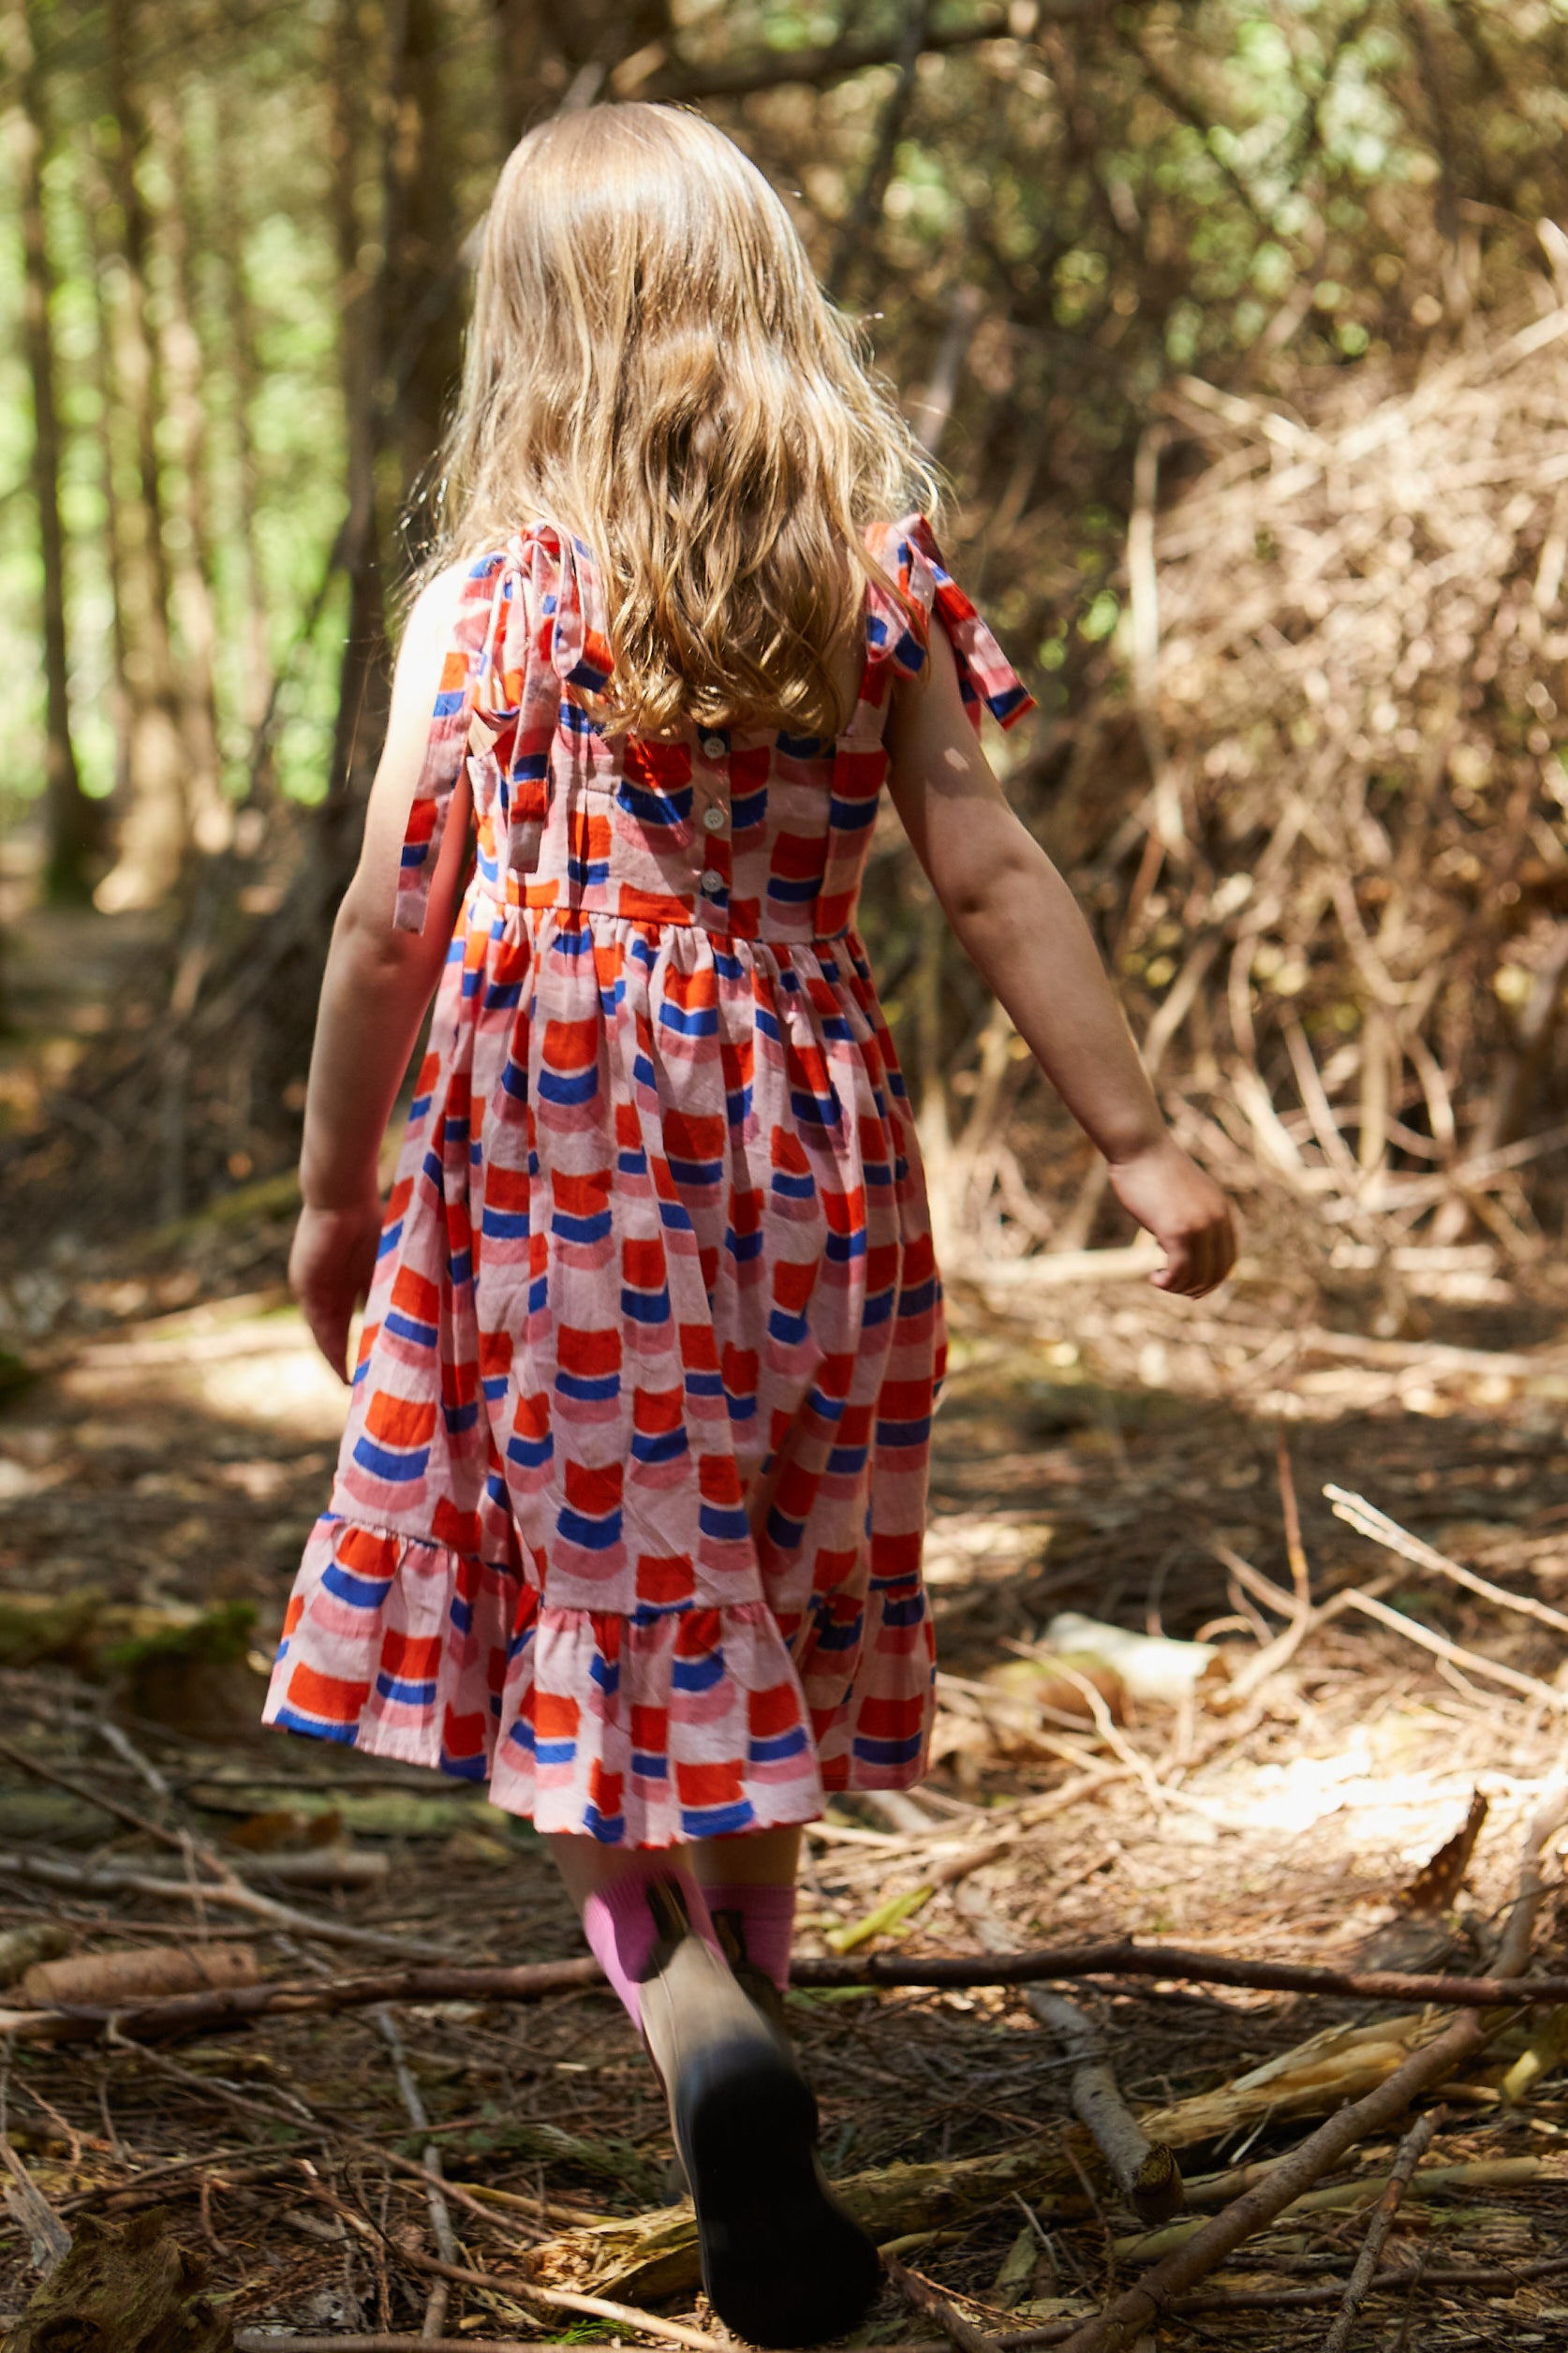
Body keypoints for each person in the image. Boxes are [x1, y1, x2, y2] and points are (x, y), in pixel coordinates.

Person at [267, 102, 1235, 2346]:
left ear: (532, 327)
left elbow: (390, 922)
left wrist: (339, 1190)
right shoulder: (877, 570)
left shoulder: (489, 604)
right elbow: (988, 864)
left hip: (559, 1149)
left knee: (605, 1583)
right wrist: (1139, 1140)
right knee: (773, 1573)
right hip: (811, 1137)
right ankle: (766, 1996)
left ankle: (691, 2002)